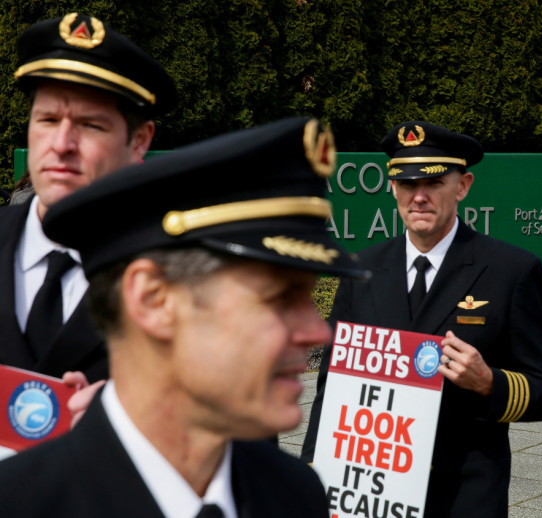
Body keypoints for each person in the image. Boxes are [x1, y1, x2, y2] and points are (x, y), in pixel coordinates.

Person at [0, 116, 366, 517]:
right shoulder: (24, 502)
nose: (319, 332)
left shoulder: (295, 495)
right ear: (153, 299)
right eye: (279, 299)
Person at [301, 121, 542, 517]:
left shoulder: (511, 270)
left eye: (434, 182)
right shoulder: (362, 269)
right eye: (407, 184)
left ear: (463, 185)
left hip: (463, 490)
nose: (419, 196)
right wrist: (312, 472)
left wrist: (490, 382)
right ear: (392, 188)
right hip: (373, 491)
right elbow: (332, 387)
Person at [0, 14, 176, 382]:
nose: (61, 145)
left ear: (140, 141)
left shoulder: (182, 280)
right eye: (47, 119)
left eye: (90, 125)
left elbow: (243, 433)